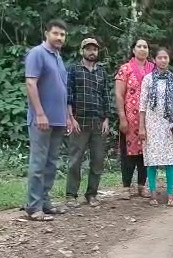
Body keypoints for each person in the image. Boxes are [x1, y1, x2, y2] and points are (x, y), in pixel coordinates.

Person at [23, 19, 69, 221]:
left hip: (58, 120)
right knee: (38, 163)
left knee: (51, 163)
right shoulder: (37, 53)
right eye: (56, 33)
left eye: (62, 35)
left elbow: (62, 89)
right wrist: (40, 113)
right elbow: (31, 83)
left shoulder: (58, 57)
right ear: (46, 33)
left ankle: (45, 202)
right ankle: (33, 207)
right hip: (42, 119)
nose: (59, 37)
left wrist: (67, 116)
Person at [65, 38, 110, 208]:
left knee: (98, 160)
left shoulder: (101, 72)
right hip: (79, 121)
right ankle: (71, 195)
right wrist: (71, 118)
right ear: (82, 51)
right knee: (75, 160)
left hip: (98, 122)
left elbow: (106, 96)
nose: (92, 52)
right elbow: (69, 94)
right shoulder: (74, 70)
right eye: (89, 49)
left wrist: (106, 118)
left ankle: (92, 194)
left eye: (95, 49)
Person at [139, 48, 173, 207]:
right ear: (154, 59)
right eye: (160, 57)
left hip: (169, 124)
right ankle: (153, 195)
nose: (163, 60)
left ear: (169, 59)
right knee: (152, 160)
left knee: (170, 160)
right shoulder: (148, 79)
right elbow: (142, 106)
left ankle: (170, 195)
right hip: (152, 123)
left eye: (166, 57)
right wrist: (141, 127)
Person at [115, 39, 155, 200]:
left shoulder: (153, 69)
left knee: (145, 153)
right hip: (130, 118)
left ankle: (142, 185)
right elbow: (118, 94)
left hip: (149, 119)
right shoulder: (125, 69)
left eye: (145, 46)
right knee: (128, 154)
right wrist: (122, 117)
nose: (142, 49)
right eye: (139, 46)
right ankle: (126, 187)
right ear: (133, 50)